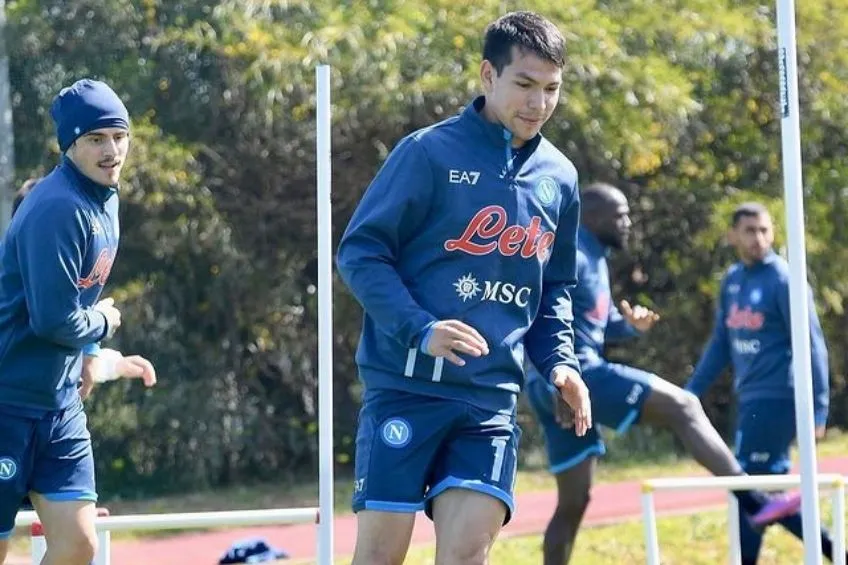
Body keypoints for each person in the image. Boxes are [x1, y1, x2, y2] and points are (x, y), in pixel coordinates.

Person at [336, 11, 591, 565]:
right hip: (405, 388)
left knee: (465, 558)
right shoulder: (427, 152)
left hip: (490, 401)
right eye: (523, 85)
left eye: (551, 89)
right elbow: (360, 253)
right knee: (380, 557)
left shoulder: (560, 177)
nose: (537, 103)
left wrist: (562, 365)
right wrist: (420, 329)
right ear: (487, 76)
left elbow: (555, 291)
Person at [525, 183, 844, 564]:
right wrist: (552, 379)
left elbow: (594, 322)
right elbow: (532, 313)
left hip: (555, 386)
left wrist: (627, 325)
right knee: (685, 407)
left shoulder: (597, 259)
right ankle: (758, 502)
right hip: (573, 377)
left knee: (573, 503)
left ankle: (781, 521)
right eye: (620, 215)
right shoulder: (572, 254)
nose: (629, 222)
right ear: (592, 217)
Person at [0, 78, 137, 565]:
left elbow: (80, 293)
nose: (112, 150)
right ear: (71, 145)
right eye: (96, 139)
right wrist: (101, 324)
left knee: (78, 545)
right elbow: (54, 320)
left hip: (58, 408)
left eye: (119, 136)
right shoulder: (57, 207)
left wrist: (89, 353)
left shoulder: (107, 200)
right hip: (8, 402)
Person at [685, 201, 830, 564]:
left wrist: (820, 405)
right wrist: (688, 395)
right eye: (750, 230)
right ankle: (836, 550)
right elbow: (720, 343)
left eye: (765, 230)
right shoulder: (733, 280)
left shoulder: (783, 278)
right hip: (749, 398)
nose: (759, 238)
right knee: (762, 496)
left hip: (779, 397)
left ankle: (834, 550)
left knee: (747, 487)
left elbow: (812, 343)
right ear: (732, 234)